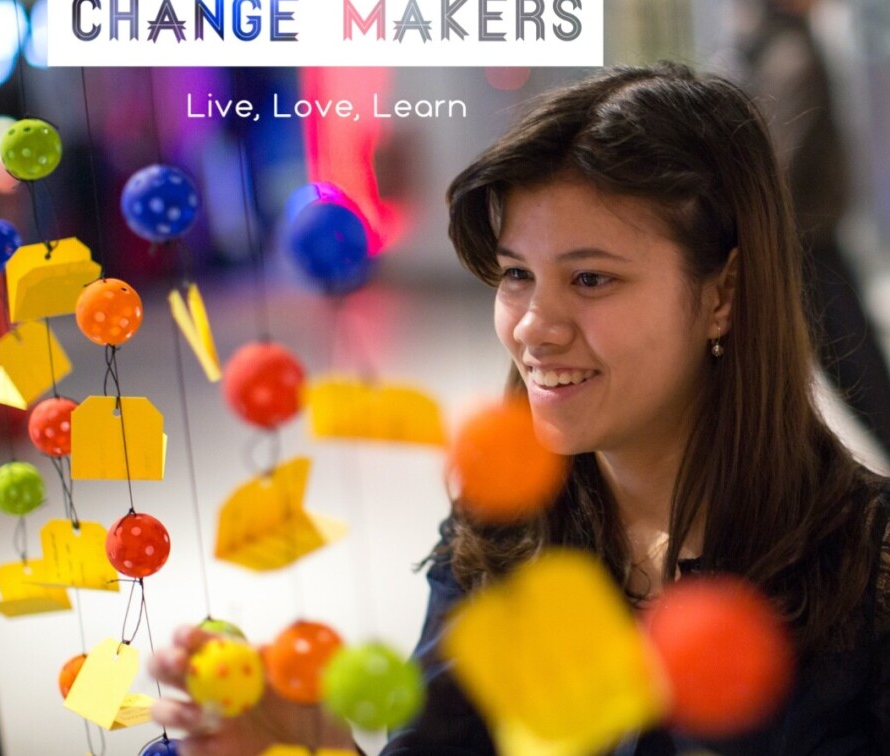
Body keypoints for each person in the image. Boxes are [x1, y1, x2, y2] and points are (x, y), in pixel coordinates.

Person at [150, 63, 890, 755]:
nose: (534, 325)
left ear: (723, 295)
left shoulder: (866, 567)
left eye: (591, 279)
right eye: (515, 275)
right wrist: (317, 740)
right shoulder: (504, 531)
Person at [726, 0, 890, 460]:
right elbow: (781, 167)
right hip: (805, 247)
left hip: (801, 243)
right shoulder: (793, 55)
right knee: (860, 376)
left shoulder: (767, 49)